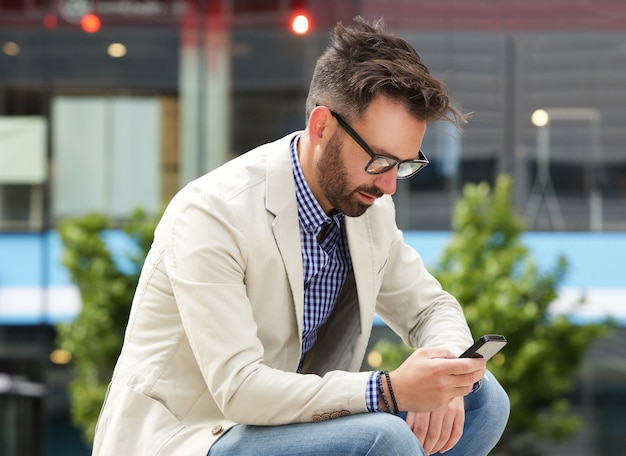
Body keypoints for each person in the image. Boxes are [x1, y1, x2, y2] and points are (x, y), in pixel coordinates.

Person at [92, 17, 509, 456]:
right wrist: (389, 391)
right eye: (380, 160)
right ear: (322, 126)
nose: (389, 186)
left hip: (289, 425)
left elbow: (431, 308)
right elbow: (240, 388)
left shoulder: (368, 206)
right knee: (382, 438)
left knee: (483, 400)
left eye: (404, 165)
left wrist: (446, 373)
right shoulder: (212, 213)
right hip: (197, 434)